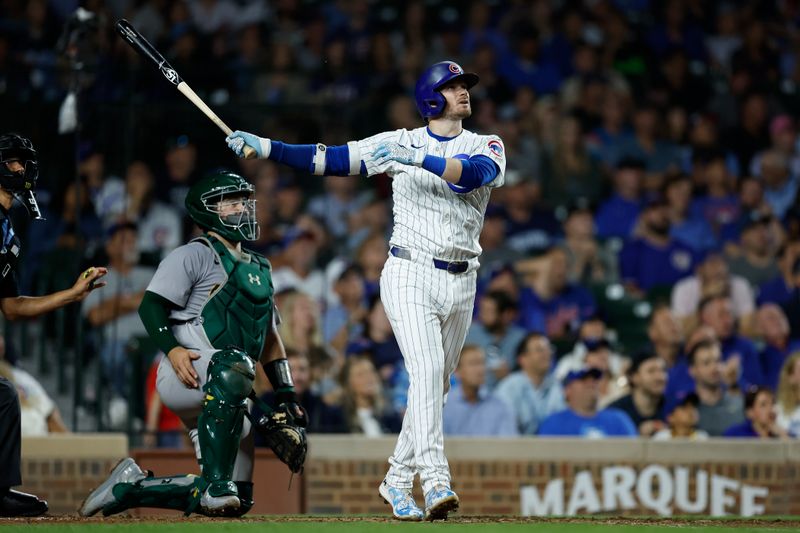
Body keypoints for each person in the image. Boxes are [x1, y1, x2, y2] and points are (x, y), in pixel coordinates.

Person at [226, 60, 506, 521]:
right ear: (431, 98)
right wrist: (266, 146)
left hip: (463, 277)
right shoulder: (397, 141)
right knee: (428, 369)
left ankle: (397, 479)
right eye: (453, 85)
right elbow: (329, 158)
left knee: (436, 385)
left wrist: (420, 160)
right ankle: (435, 480)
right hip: (409, 270)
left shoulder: (486, 143)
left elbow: (473, 175)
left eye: (464, 85)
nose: (463, 92)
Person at [78, 171, 305, 518]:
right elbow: (150, 305)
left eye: (243, 200)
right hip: (184, 373)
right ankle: (215, 483)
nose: (242, 207)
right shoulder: (193, 254)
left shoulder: (261, 265)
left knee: (235, 501)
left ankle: (128, 487)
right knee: (234, 366)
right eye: (231, 201)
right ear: (207, 211)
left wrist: (287, 394)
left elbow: (271, 338)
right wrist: (172, 349)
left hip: (228, 387)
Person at [0, 133, 107, 517]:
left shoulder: (7, 228)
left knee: (4, 397)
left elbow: (11, 306)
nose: (20, 169)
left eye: (23, 163)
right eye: (12, 162)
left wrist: (71, 294)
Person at [493, 333, 564, 435]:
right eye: (540, 350)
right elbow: (503, 429)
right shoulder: (509, 387)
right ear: (522, 359)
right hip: (517, 448)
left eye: (548, 349)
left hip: (552, 447)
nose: (547, 354)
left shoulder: (556, 386)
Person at [537, 367, 638, 438]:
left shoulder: (618, 420)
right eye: (583, 379)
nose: (591, 383)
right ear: (567, 390)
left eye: (594, 379)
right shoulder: (554, 423)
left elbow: (634, 456)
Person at [442, 345, 518, 437]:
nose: (480, 369)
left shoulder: (501, 406)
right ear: (457, 371)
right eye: (473, 364)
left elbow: (508, 447)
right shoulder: (444, 405)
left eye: (482, 363)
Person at [607, 350, 667, 436]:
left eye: (663, 370)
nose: (660, 377)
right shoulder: (615, 412)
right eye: (651, 371)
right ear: (634, 377)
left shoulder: (674, 409)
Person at [723, 386, 789, 438]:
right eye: (763, 405)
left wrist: (782, 436)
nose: (770, 409)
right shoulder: (735, 434)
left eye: (773, 403)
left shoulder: (782, 434)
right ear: (750, 412)